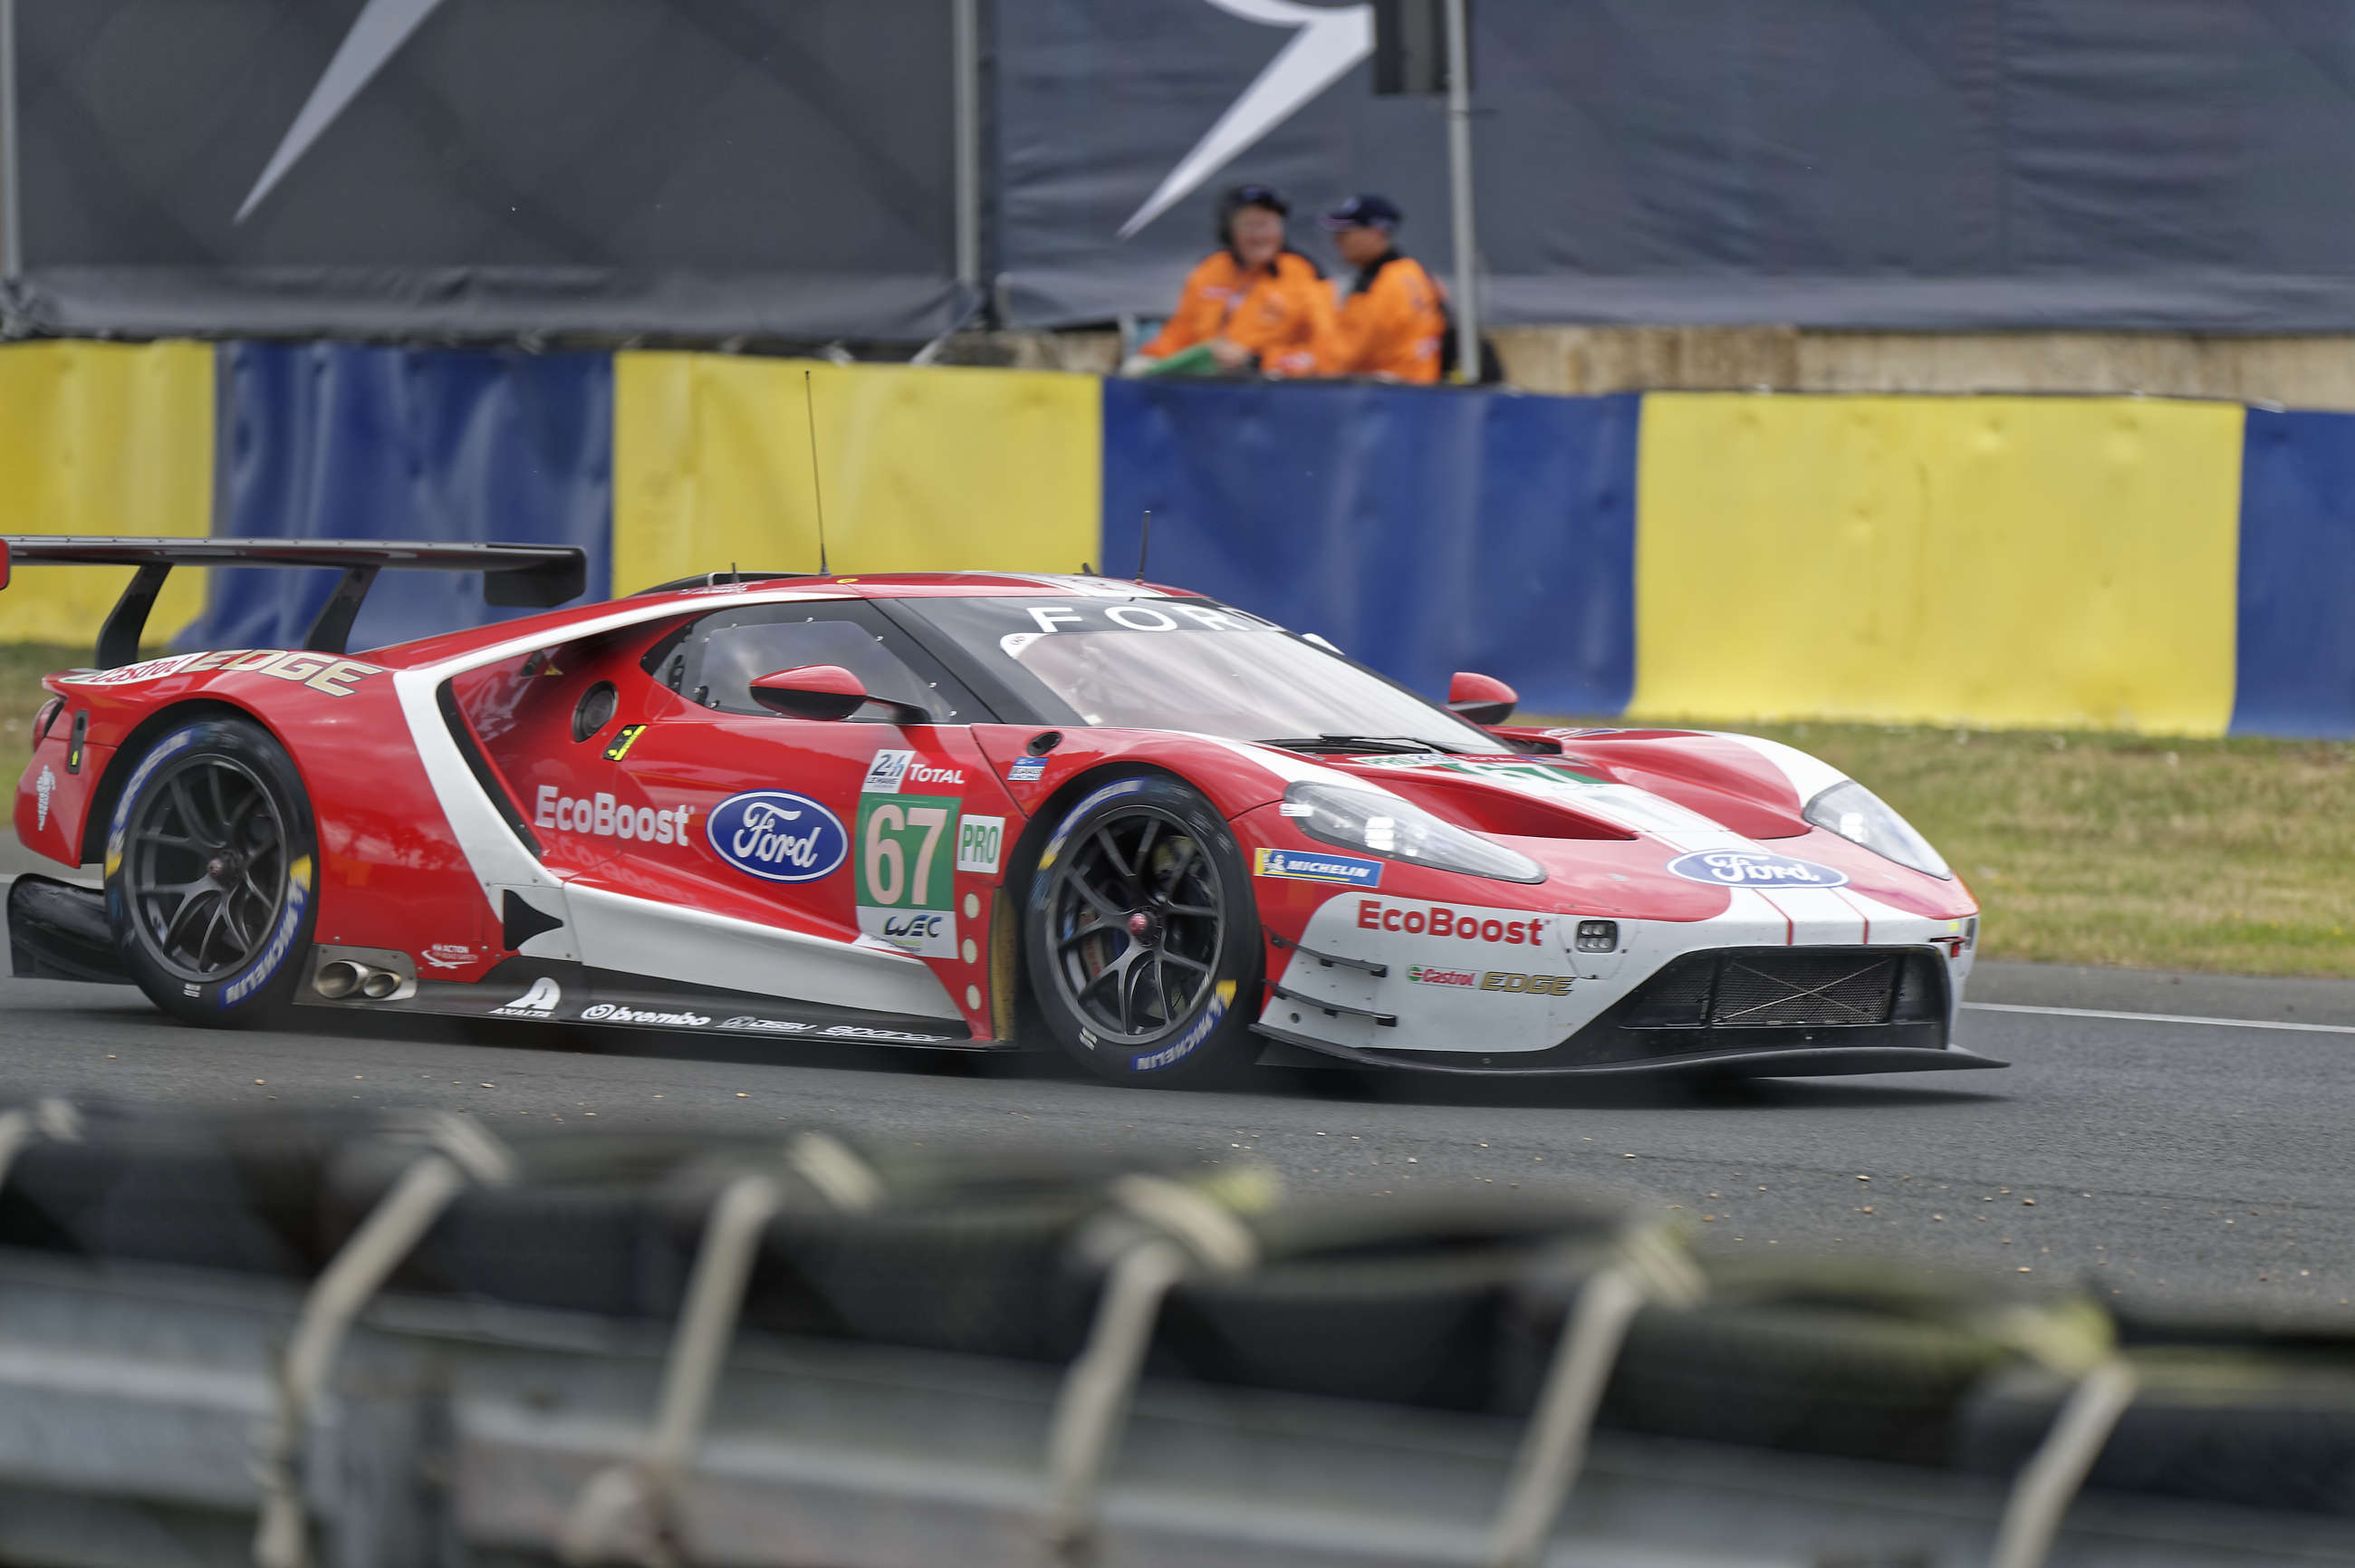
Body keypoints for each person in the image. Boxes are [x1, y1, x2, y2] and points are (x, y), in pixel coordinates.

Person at [1134, 185, 1336, 378]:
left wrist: (1257, 360)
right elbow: (1182, 331)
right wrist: (1150, 358)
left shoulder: (1305, 274)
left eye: (1267, 224)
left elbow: (1325, 351)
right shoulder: (1210, 269)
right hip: (1206, 386)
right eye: (1249, 225)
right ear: (1229, 231)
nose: (1259, 236)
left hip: (1270, 390)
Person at [1316, 193, 1448, 385]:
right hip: (1423, 390)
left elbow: (1342, 356)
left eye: (1346, 232)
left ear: (1376, 233)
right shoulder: (1417, 272)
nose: (1337, 240)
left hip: (1387, 397)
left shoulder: (1376, 285)